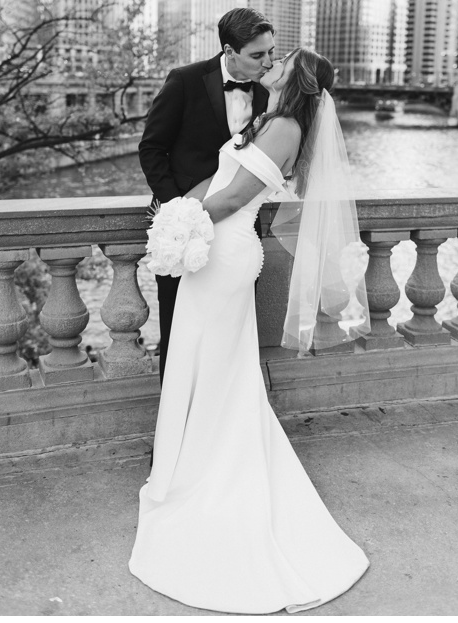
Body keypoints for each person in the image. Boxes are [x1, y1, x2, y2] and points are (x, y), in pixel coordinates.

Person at [129, 48, 370, 613]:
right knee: (210, 364)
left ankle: (217, 480)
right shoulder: (268, 117)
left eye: (281, 60)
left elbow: (237, 198)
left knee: (214, 368)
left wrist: (184, 224)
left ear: (298, 77)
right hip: (214, 247)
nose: (273, 63)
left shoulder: (285, 124)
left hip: (228, 251)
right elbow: (219, 177)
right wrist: (176, 211)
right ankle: (198, 464)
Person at [138, 8, 275, 376]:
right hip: (181, 230)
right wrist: (177, 212)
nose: (268, 62)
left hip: (240, 232)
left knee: (230, 327)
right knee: (179, 326)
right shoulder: (185, 80)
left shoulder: (268, 95)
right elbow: (152, 148)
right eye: (258, 55)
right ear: (230, 52)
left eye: (271, 52)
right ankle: (178, 415)